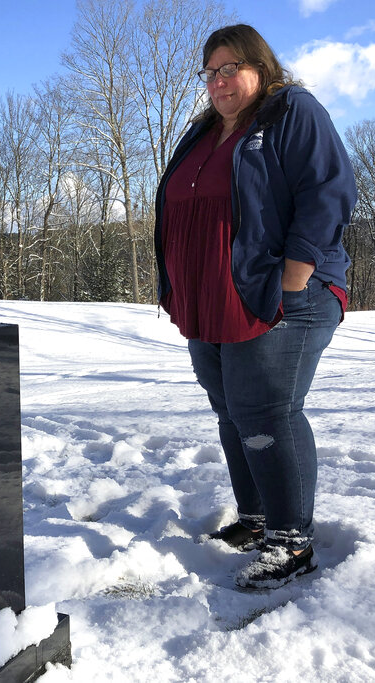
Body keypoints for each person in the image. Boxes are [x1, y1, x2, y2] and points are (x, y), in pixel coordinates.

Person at [153, 24, 356, 589]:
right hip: (214, 300)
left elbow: (330, 190)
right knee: (231, 410)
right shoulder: (204, 132)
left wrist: (295, 275)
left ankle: (291, 541)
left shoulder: (290, 111)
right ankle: (259, 517)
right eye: (210, 72)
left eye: (230, 68)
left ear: (260, 69)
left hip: (283, 295)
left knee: (266, 409)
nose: (219, 81)